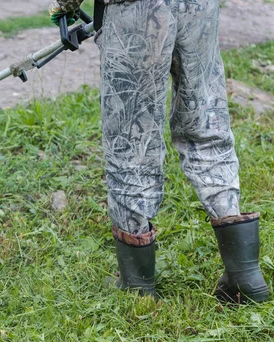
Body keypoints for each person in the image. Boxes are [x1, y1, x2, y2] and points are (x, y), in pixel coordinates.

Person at [49, 0, 269, 303]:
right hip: (198, 7)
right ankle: (245, 275)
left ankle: (137, 287)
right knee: (206, 121)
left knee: (131, 139)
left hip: (138, 9)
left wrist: (65, 5)